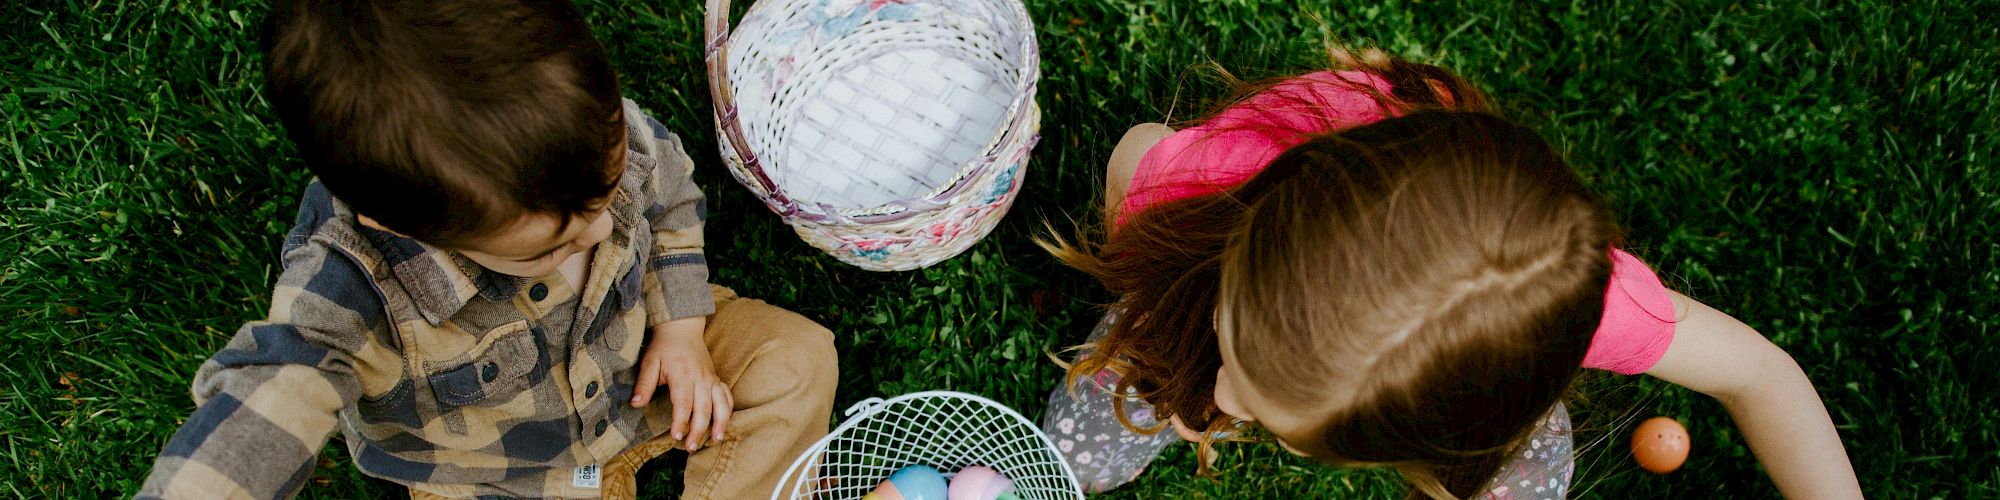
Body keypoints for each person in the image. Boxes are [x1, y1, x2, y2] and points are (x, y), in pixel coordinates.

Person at [1040, 47, 1862, 498]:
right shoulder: (1199, 188)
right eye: (1243, 355)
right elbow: (1137, 150)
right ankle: (1082, 454)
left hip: (1466, 390)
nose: (1224, 404)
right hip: (1215, 256)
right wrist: (1195, 336)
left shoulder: (1572, 304)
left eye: (1254, 397)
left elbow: (1761, 374)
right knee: (1148, 362)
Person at [137, 1, 837, 497]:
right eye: (549, 247)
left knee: (796, 362)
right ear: (398, 224)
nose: (601, 236)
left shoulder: (585, 129)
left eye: (608, 195)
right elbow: (268, 402)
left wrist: (682, 329)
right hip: (501, 475)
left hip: (645, 374)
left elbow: (671, 196)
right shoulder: (351, 289)